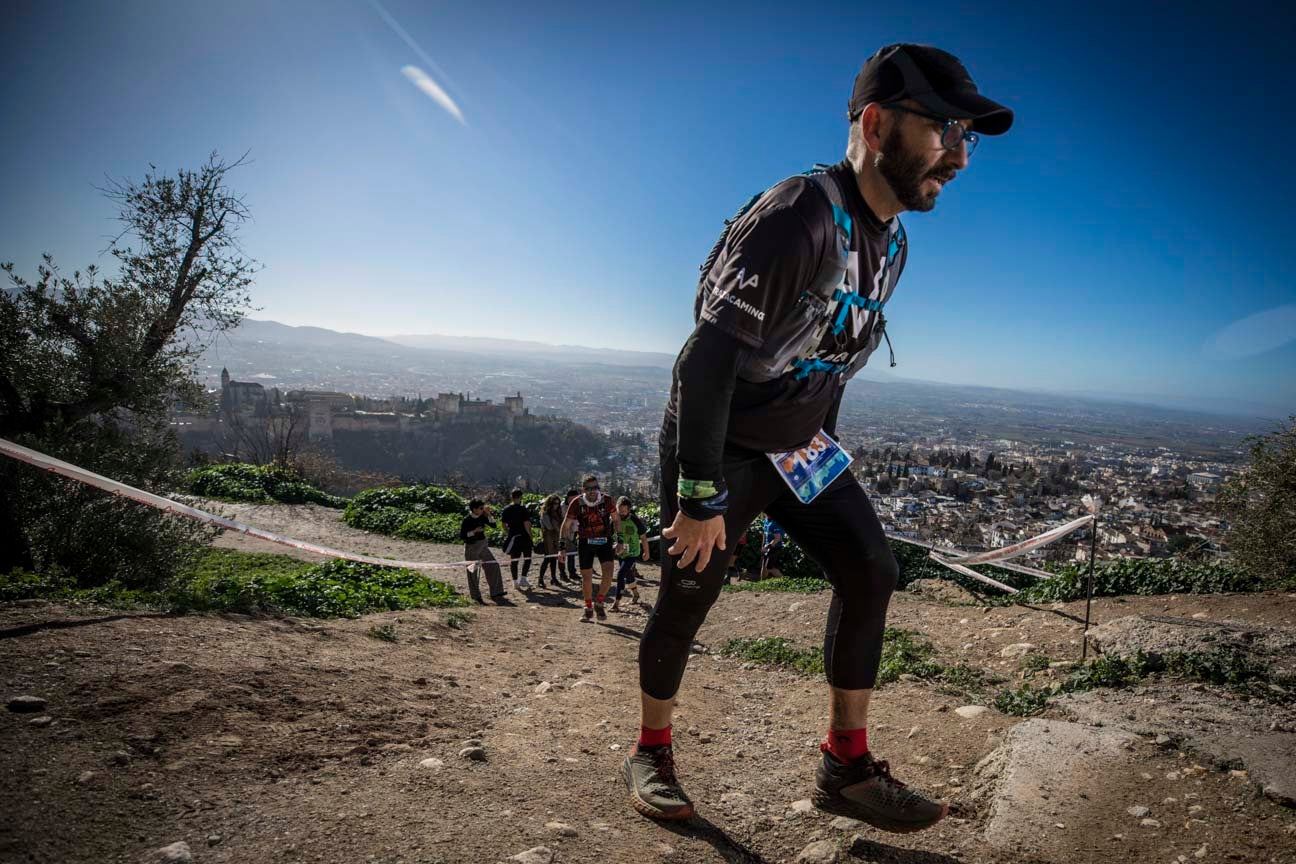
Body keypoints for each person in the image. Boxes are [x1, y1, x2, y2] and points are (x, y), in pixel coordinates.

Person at [622, 43, 1012, 832]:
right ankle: (651, 751)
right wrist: (701, 496)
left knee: (872, 567)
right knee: (689, 595)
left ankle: (846, 764)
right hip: (722, 447)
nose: (961, 157)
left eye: (968, 138)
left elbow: (832, 360)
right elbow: (705, 360)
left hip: (795, 445)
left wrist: (822, 457)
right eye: (944, 132)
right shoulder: (798, 215)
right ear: (875, 123)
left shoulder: (894, 240)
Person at [560, 474, 621, 622]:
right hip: (585, 542)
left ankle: (599, 603)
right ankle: (588, 608)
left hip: (604, 541)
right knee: (586, 577)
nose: (593, 491)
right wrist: (561, 547)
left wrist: (620, 540)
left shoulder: (606, 500)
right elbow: (566, 525)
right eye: (589, 488)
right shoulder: (577, 502)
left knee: (608, 574)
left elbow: (616, 519)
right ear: (583, 489)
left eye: (595, 487)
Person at [459, 499, 508, 604]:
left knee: (493, 565)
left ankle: (496, 592)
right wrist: (474, 532)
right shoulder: (467, 520)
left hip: (483, 545)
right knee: (473, 572)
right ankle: (476, 596)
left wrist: (489, 514)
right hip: (471, 547)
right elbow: (463, 536)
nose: (482, 510)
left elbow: (493, 525)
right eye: (481, 508)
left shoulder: (482, 516)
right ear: (474, 509)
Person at [611, 496, 647, 611]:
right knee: (628, 575)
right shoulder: (614, 520)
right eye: (619, 511)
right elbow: (610, 536)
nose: (621, 513)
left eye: (624, 511)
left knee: (620, 574)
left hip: (632, 553)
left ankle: (616, 603)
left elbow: (643, 537)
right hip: (621, 553)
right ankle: (636, 594)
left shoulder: (635, 520)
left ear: (629, 510)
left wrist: (647, 552)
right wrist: (613, 545)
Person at [499, 488, 534, 591]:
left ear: (512, 497)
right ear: (520, 497)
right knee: (527, 558)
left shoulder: (506, 509)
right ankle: (523, 578)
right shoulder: (523, 509)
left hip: (513, 537)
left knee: (514, 559)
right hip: (524, 537)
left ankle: (515, 582)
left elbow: (503, 524)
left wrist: (508, 533)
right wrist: (531, 536)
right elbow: (527, 524)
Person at [538, 493, 566, 587]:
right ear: (550, 503)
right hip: (548, 538)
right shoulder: (545, 513)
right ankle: (540, 579)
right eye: (554, 503)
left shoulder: (557, 513)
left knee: (554, 559)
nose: (556, 505)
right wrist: (557, 525)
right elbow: (549, 527)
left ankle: (553, 578)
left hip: (556, 538)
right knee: (547, 559)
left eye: (558, 503)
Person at [561, 488, 581, 579]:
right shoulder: (563, 507)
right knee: (562, 553)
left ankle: (572, 572)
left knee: (572, 554)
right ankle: (562, 574)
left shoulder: (577, 506)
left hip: (573, 532)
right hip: (564, 533)